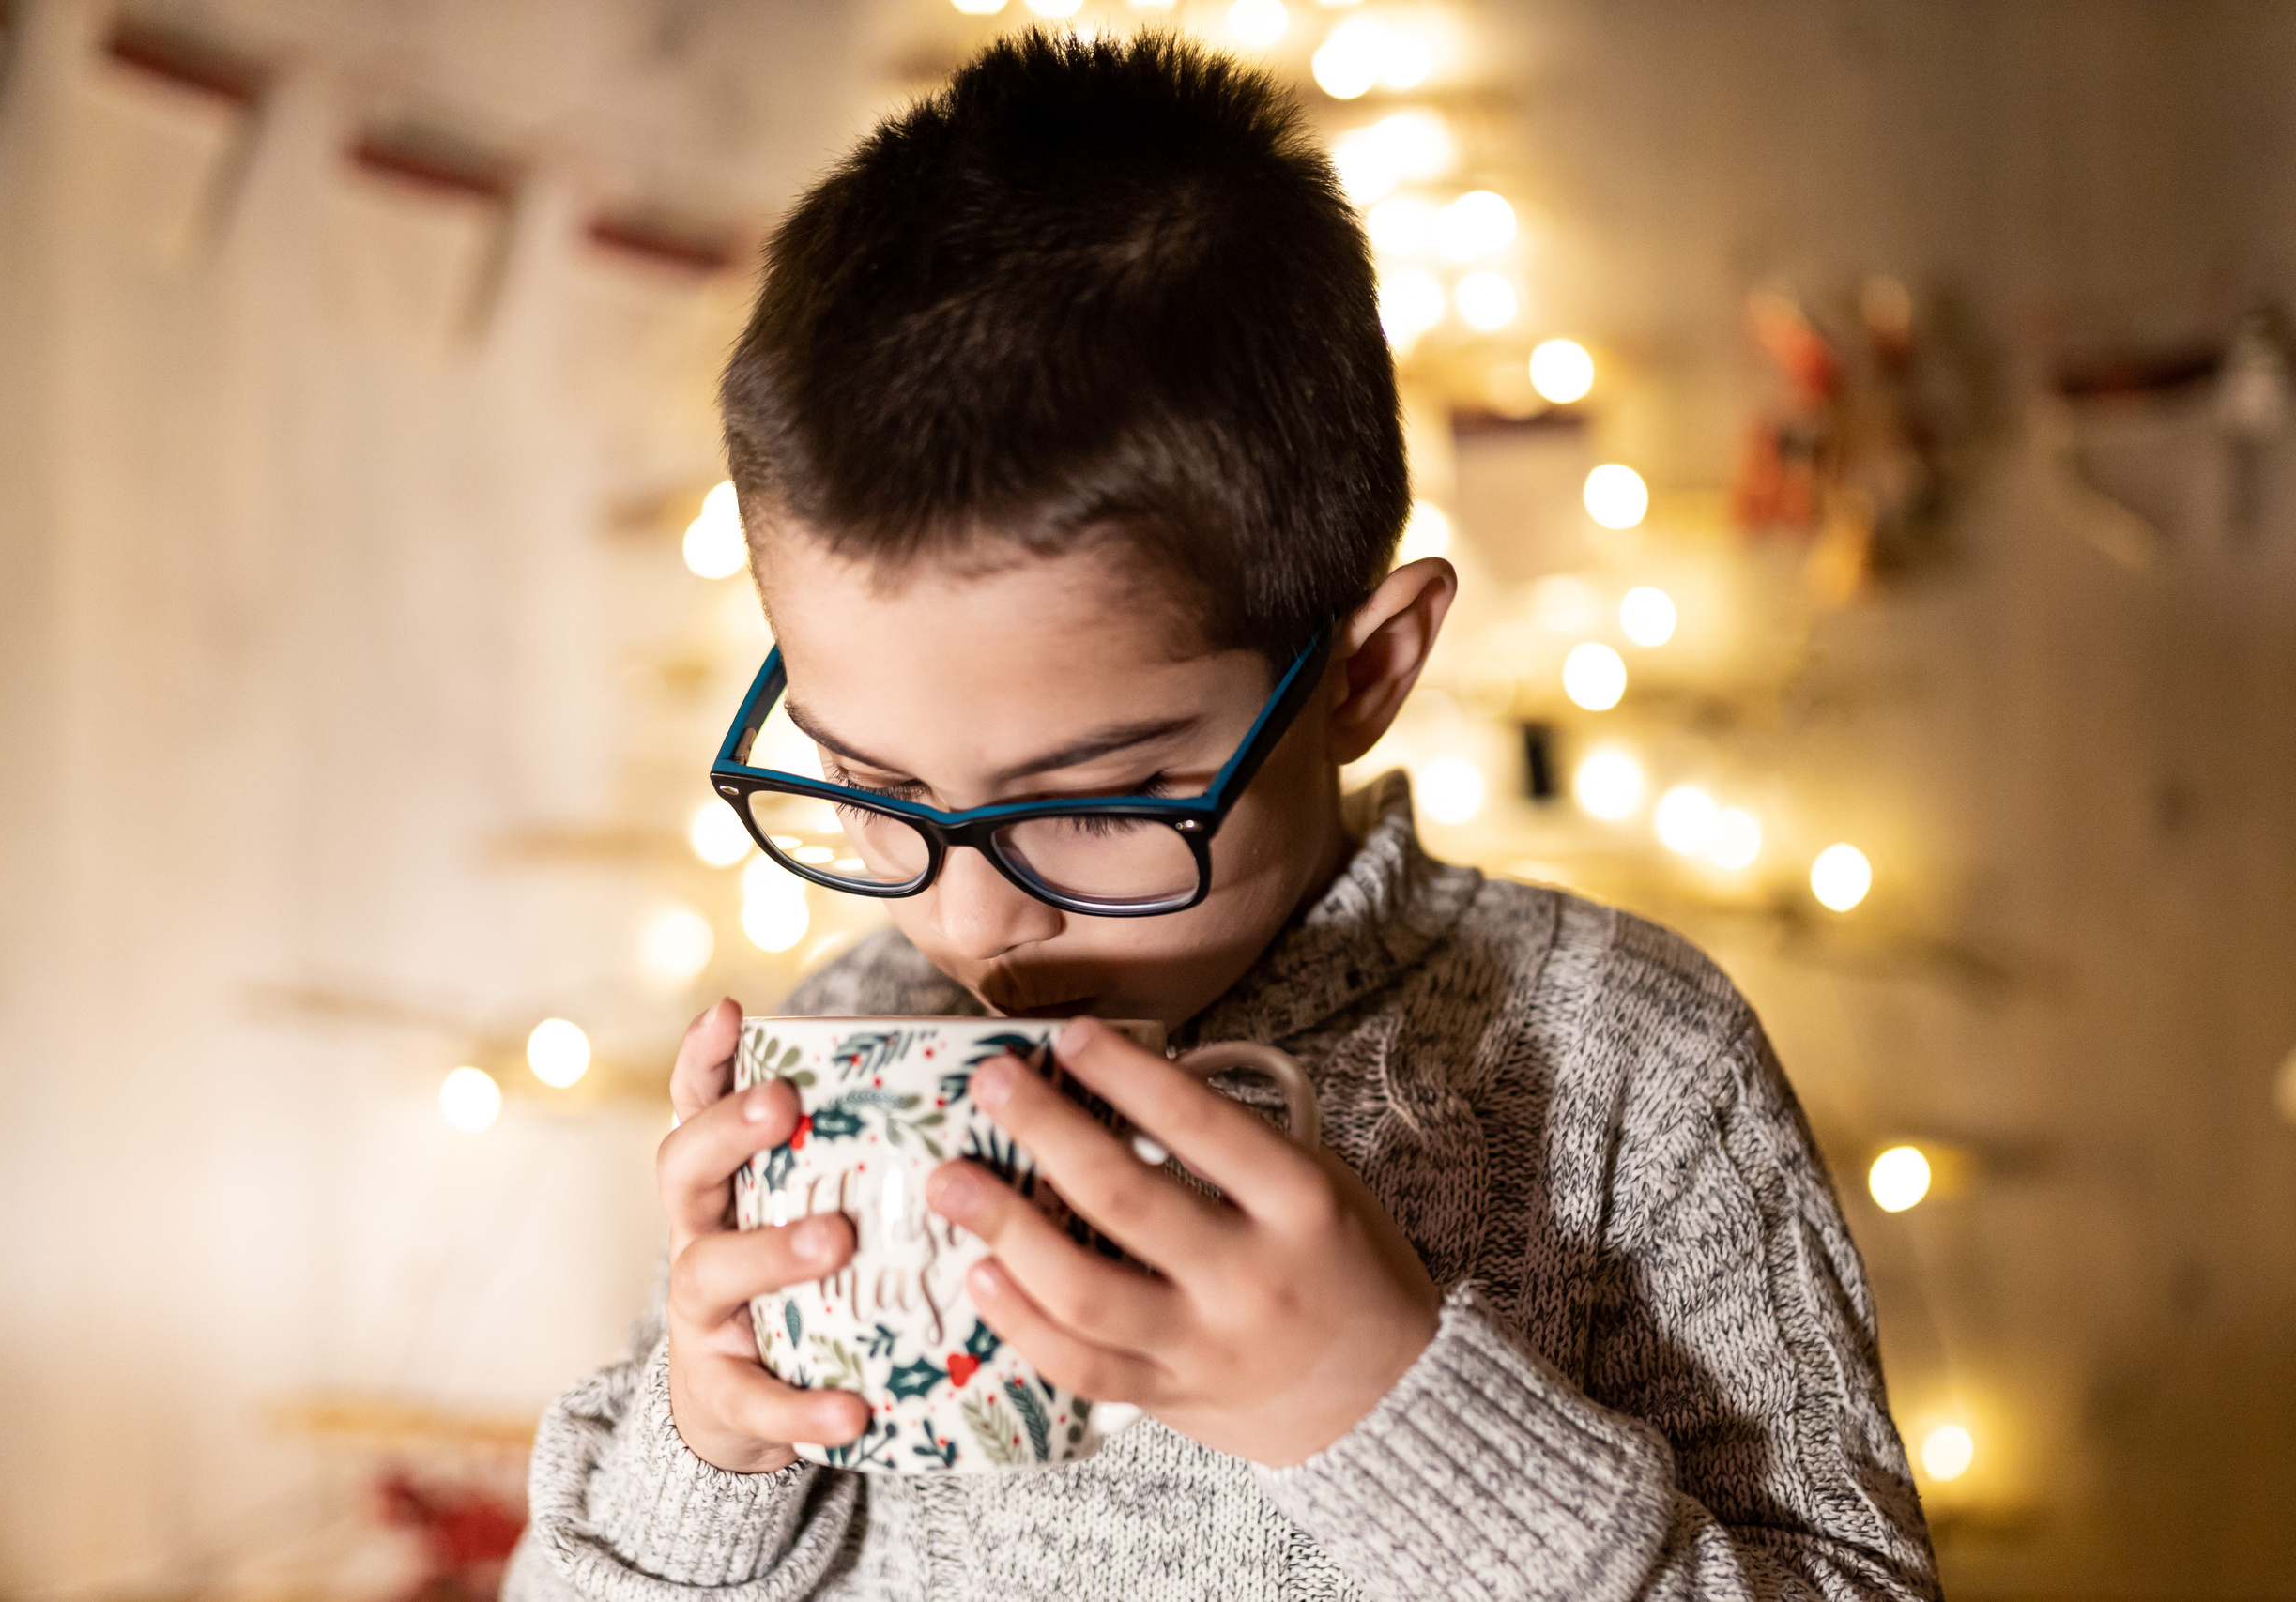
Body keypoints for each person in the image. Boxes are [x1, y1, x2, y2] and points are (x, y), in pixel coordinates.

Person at [503, 28, 1938, 1602]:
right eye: (874, 785)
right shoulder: (853, 1035)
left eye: (1103, 799)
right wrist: (707, 1452)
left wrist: (1386, 1412)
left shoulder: (1628, 1061)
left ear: (1363, 674)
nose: (972, 922)